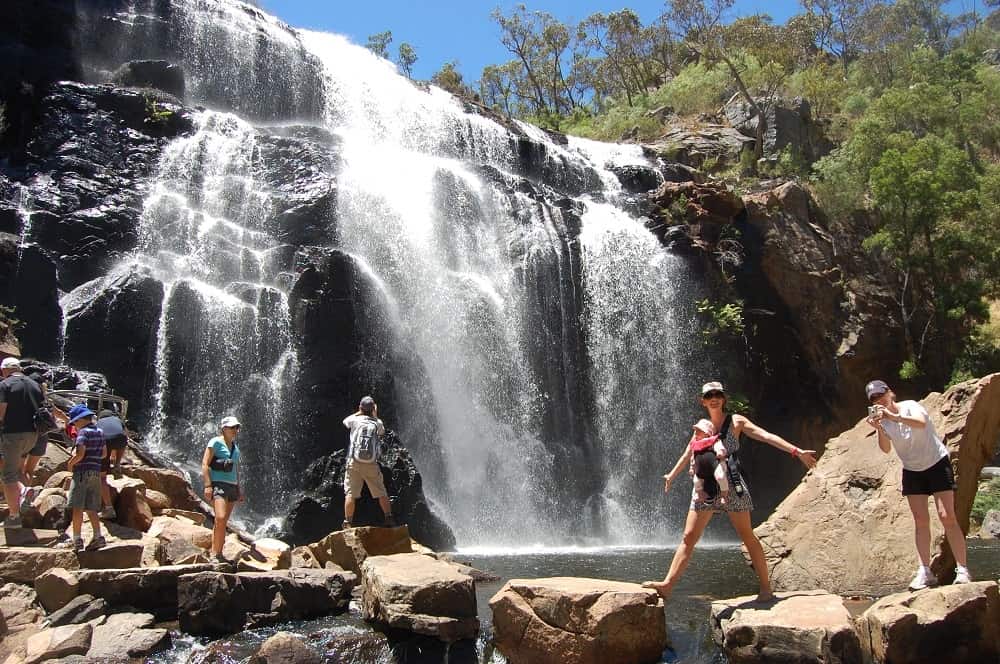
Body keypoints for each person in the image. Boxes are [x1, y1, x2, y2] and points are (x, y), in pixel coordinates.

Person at [643, 381, 817, 601]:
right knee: (688, 537)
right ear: (702, 401)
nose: (713, 398)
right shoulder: (702, 427)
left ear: (723, 398)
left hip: (732, 485)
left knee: (746, 534)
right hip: (705, 487)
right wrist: (671, 475)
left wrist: (796, 451)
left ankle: (765, 589)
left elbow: (765, 435)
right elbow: (688, 453)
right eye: (709, 395)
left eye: (717, 394)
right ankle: (667, 585)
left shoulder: (736, 421)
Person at [865, 379, 971, 588]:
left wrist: (893, 416)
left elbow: (921, 423)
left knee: (947, 516)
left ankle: (963, 569)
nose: (879, 401)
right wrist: (879, 427)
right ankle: (925, 571)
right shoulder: (884, 421)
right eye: (875, 399)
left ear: (890, 393)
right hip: (912, 469)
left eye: (881, 395)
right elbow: (885, 448)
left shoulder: (910, 406)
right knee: (920, 519)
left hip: (936, 463)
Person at [0, 357, 44, 527]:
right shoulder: (34, 384)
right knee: (17, 470)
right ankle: (21, 501)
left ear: (5, 370)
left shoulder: (5, 385)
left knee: (8, 476)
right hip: (32, 436)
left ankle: (14, 517)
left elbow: (1, 413)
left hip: (12, 434)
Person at [342, 396, 395, 529]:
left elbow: (345, 422)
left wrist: (359, 412)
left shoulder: (354, 419)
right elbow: (382, 432)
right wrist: (375, 416)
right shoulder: (377, 422)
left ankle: (348, 522)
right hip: (371, 464)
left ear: (360, 407)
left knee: (350, 493)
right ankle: (388, 517)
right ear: (373, 409)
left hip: (354, 462)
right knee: (381, 492)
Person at [62, 404, 106, 551]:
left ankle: (76, 539)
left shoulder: (82, 433)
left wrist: (70, 464)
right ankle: (98, 536)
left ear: (80, 420)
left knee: (77, 507)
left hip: (81, 472)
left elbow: (80, 454)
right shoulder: (100, 432)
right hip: (95, 472)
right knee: (91, 507)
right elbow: (104, 453)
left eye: (74, 421)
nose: (74, 424)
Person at [201, 416, 243, 561]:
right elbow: (205, 463)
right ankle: (215, 554)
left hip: (232, 486)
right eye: (232, 427)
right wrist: (208, 485)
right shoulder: (215, 442)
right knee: (220, 517)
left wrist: (239, 489)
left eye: (236, 427)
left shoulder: (235, 448)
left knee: (223, 521)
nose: (235, 430)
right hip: (218, 484)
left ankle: (218, 553)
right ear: (224, 428)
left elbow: (236, 470)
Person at [96, 409, 128, 519]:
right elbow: (124, 434)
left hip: (104, 441)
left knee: (102, 478)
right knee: (121, 439)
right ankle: (117, 465)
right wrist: (114, 457)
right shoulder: (118, 419)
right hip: (121, 439)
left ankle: (109, 508)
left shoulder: (97, 423)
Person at [689, 419, 729, 505]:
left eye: (699, 431)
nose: (695, 433)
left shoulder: (713, 441)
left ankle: (724, 495)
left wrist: (720, 452)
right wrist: (692, 468)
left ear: (707, 433)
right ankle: (700, 494)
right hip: (701, 470)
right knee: (696, 481)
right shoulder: (695, 445)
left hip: (715, 466)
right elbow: (693, 458)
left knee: (720, 477)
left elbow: (719, 447)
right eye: (695, 430)